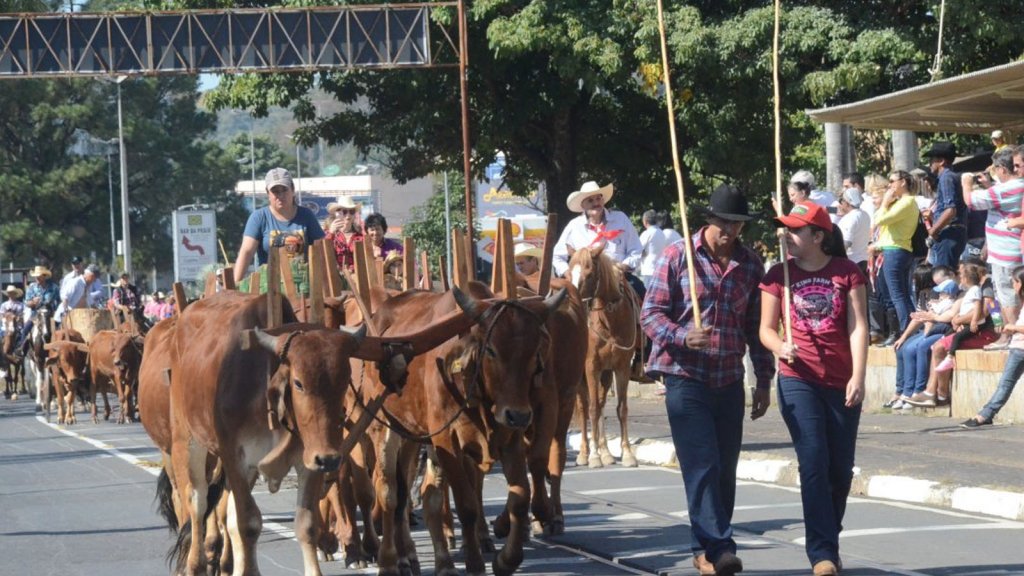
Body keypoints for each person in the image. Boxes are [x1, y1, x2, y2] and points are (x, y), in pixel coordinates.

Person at [641, 184, 774, 576]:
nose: (729, 232)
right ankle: (721, 546)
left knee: (724, 468)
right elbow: (650, 315)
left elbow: (755, 327)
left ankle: (705, 546)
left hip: (729, 378)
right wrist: (683, 336)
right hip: (686, 378)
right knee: (701, 464)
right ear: (708, 221)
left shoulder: (750, 265)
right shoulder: (676, 256)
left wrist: (763, 380)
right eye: (723, 224)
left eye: (736, 225)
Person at [759, 201, 867, 576]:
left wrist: (858, 376)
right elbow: (765, 330)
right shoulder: (777, 275)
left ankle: (828, 535)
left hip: (840, 381)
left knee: (840, 470)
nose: (786, 235)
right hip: (797, 379)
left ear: (818, 236)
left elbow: (858, 326)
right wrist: (779, 346)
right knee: (814, 462)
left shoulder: (847, 272)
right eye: (785, 228)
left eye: (795, 229)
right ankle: (821, 552)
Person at [962, 148, 1024, 350]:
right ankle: (1007, 334)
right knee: (999, 295)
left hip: (1006, 253)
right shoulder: (1010, 187)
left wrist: (966, 183)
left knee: (1006, 295)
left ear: (1001, 168)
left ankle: (1011, 337)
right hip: (1002, 250)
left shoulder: (1009, 188)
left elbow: (971, 201)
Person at [233, 168, 325, 286]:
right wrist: (235, 284)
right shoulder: (259, 217)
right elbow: (246, 252)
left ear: (293, 190)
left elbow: (322, 250)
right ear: (268, 193)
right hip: (269, 287)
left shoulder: (306, 216)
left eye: (284, 190)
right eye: (275, 191)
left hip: (302, 286)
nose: (280, 195)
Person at [552, 181, 644, 299]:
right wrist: (568, 273)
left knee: (644, 295)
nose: (596, 203)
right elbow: (557, 256)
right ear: (582, 205)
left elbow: (636, 249)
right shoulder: (573, 226)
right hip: (586, 283)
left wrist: (622, 267)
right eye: (590, 200)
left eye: (598, 198)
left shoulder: (621, 219)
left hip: (620, 278)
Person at [962, 265, 1024, 428]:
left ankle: (985, 415)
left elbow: (991, 304)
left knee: (1006, 383)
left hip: (1019, 347)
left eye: (1015, 282)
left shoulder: (987, 286)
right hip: (1017, 345)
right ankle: (986, 414)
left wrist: (1005, 325)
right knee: (1006, 383)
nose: (1012, 285)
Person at [873, 170, 920, 334]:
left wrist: (885, 203)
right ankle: (910, 329)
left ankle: (906, 330)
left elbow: (878, 220)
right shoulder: (902, 202)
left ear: (903, 182)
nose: (889, 186)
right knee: (903, 294)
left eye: (892, 181)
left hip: (896, 250)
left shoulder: (907, 202)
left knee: (898, 295)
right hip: (896, 250)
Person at [923, 141, 968, 268]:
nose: (930, 164)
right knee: (947, 274)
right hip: (954, 232)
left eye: (932, 160)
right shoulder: (951, 177)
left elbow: (950, 210)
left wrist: (933, 231)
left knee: (943, 276)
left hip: (949, 233)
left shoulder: (946, 178)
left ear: (941, 161)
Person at [324, 196, 364, 272]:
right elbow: (323, 251)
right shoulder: (330, 234)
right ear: (338, 213)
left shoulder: (360, 237)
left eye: (351, 211)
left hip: (356, 278)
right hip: (334, 278)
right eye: (344, 212)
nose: (348, 215)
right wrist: (331, 232)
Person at [639, 209, 668, 287]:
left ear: (645, 221)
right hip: (660, 270)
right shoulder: (662, 233)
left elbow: (638, 250)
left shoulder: (647, 233)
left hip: (649, 270)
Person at [55, 255, 84, 324]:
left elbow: (99, 291)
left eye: (78, 263)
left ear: (81, 264)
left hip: (84, 310)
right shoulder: (68, 278)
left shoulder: (87, 276)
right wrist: (66, 306)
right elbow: (62, 293)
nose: (76, 265)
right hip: (69, 308)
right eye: (74, 264)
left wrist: (87, 296)